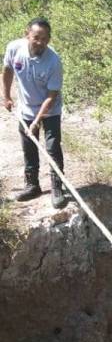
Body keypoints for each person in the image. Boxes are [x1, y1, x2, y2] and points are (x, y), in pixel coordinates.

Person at [2, 17, 66, 209]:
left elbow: (52, 95)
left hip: (50, 109)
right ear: (27, 34)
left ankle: (57, 187)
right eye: (36, 37)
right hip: (26, 108)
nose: (40, 42)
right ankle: (32, 185)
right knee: (28, 146)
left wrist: (38, 120)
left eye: (45, 39)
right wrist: (6, 96)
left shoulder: (53, 61)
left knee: (52, 147)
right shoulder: (14, 49)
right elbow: (7, 71)